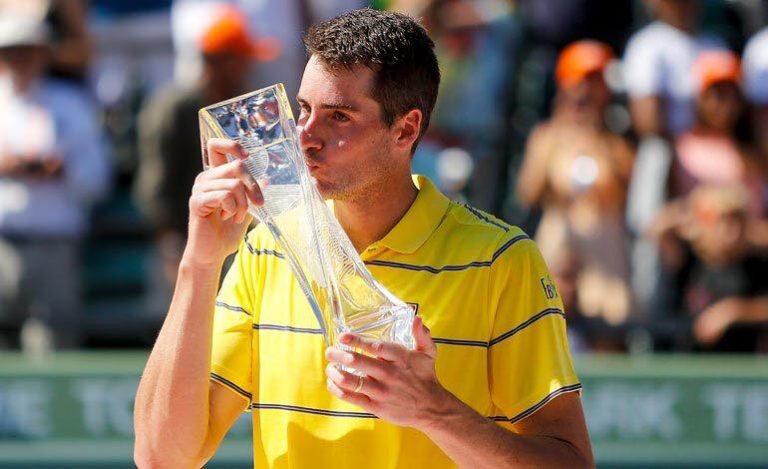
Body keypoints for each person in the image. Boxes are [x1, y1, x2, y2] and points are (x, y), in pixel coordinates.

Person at [134, 9, 592, 468]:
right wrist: (200, 261)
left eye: (338, 117)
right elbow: (161, 457)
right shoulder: (265, 249)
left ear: (406, 129)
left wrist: (434, 411)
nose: (305, 137)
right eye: (304, 110)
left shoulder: (502, 260)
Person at [134, 4, 277, 289]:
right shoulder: (172, 109)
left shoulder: (247, 107)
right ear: (216, 61)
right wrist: (173, 250)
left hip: (238, 241)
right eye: (241, 59)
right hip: (184, 242)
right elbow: (156, 188)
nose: (249, 66)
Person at [0, 13, 110, 351]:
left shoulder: (71, 104)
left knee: (53, 346)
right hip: (2, 242)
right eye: (12, 51)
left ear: (44, 53)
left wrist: (61, 170)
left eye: (29, 50)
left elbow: (96, 178)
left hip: (55, 244)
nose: (21, 59)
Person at [517, 40, 634, 339]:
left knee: (610, 323)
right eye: (580, 81)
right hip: (558, 242)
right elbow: (527, 194)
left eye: (594, 81)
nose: (585, 90)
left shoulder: (616, 141)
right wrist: (561, 137)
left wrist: (592, 136)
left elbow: (622, 192)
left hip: (604, 251)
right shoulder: (547, 135)